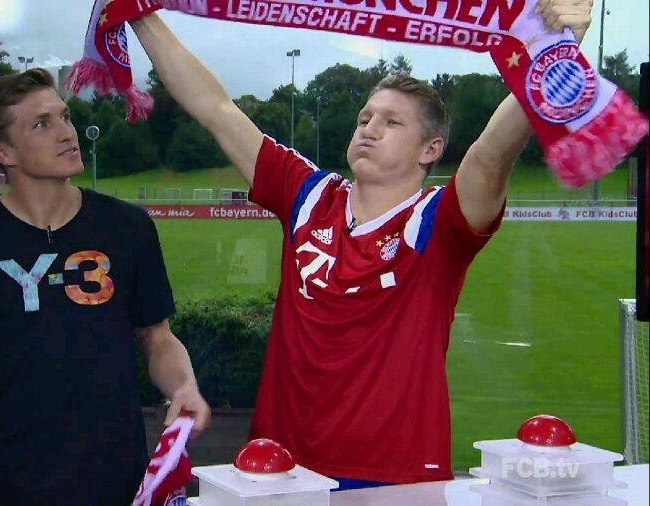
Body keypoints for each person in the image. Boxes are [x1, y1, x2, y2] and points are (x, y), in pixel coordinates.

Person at [130, 0, 593, 489]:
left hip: (394, 478)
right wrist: (138, 13)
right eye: (365, 117)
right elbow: (216, 109)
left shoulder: (438, 222)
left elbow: (492, 152)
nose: (369, 128)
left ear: (431, 149)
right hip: (278, 469)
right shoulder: (308, 196)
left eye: (392, 122)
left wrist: (553, 50)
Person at [0, 68, 211, 504]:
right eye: (41, 124)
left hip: (114, 480)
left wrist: (184, 387)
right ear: (3, 152)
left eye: (64, 117)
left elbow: (158, 339)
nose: (66, 133)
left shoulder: (127, 227)